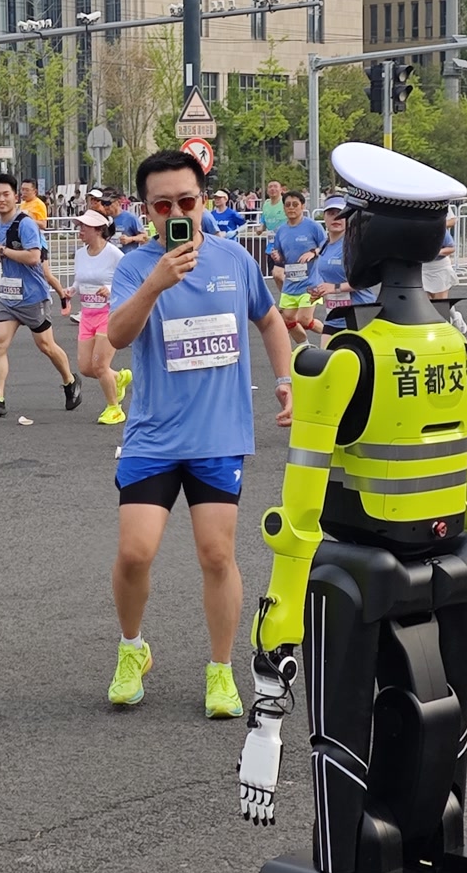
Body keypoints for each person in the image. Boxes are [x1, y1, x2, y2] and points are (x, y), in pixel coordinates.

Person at [105, 149, 292, 715]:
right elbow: (117, 336)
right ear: (146, 210)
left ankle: (220, 670)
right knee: (135, 553)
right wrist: (155, 284)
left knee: (216, 555)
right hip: (153, 437)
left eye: (186, 201)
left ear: (204, 201)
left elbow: (269, 318)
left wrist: (285, 379)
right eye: (162, 206)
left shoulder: (234, 258)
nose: (177, 213)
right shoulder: (135, 266)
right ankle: (132, 649)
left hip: (218, 436)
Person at [0, 174, 81, 417]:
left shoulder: (26, 224)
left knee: (46, 345)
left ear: (15, 197)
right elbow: (4, 252)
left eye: (6, 194)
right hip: (9, 297)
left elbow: (34, 257)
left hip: (32, 296)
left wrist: (3, 251)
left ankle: (70, 380)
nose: (1, 199)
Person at [70, 209, 130, 424]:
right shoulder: (80, 254)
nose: (80, 230)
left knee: (100, 365)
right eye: (79, 226)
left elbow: (129, 280)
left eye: (84, 227)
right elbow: (80, 280)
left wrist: (110, 288)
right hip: (87, 315)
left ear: (98, 230)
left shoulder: (114, 254)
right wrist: (71, 290)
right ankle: (118, 377)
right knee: (86, 368)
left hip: (108, 314)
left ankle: (114, 409)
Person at [309, 195, 377, 337]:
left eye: (341, 214)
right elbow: (327, 276)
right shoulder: (324, 245)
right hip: (334, 316)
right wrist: (320, 290)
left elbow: (365, 280)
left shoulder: (353, 246)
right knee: (327, 351)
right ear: (324, 217)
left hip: (359, 315)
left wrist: (335, 288)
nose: (336, 218)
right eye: (331, 213)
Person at [265, 190, 327, 348]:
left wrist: (313, 252)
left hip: (310, 282)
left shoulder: (313, 226)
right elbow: (280, 256)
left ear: (302, 206)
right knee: (288, 320)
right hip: (291, 283)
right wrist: (277, 257)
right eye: (288, 205)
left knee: (305, 320)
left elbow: (326, 246)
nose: (291, 208)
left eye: (295, 204)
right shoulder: (281, 231)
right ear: (284, 208)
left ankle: (334, 336)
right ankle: (306, 347)